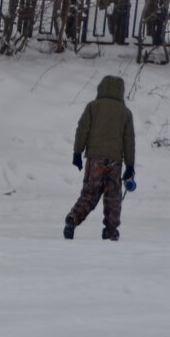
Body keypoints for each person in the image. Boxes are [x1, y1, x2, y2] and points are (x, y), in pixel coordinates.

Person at [64, 75, 135, 241]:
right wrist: (130, 165)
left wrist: (77, 153)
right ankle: (111, 232)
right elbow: (129, 140)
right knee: (113, 198)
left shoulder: (92, 107)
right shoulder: (125, 113)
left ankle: (73, 218)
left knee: (89, 194)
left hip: (95, 160)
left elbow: (82, 130)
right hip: (114, 162)